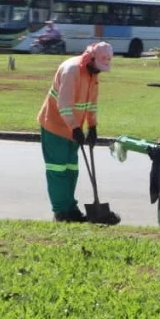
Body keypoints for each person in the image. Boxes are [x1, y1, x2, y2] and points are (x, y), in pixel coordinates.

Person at [37, 42, 113, 222]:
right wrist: (76, 127)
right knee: (58, 170)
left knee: (72, 170)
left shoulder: (92, 73)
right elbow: (63, 105)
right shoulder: (71, 71)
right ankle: (61, 212)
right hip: (55, 126)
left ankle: (71, 208)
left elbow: (91, 103)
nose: (100, 71)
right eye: (98, 66)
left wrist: (92, 126)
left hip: (73, 128)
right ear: (90, 59)